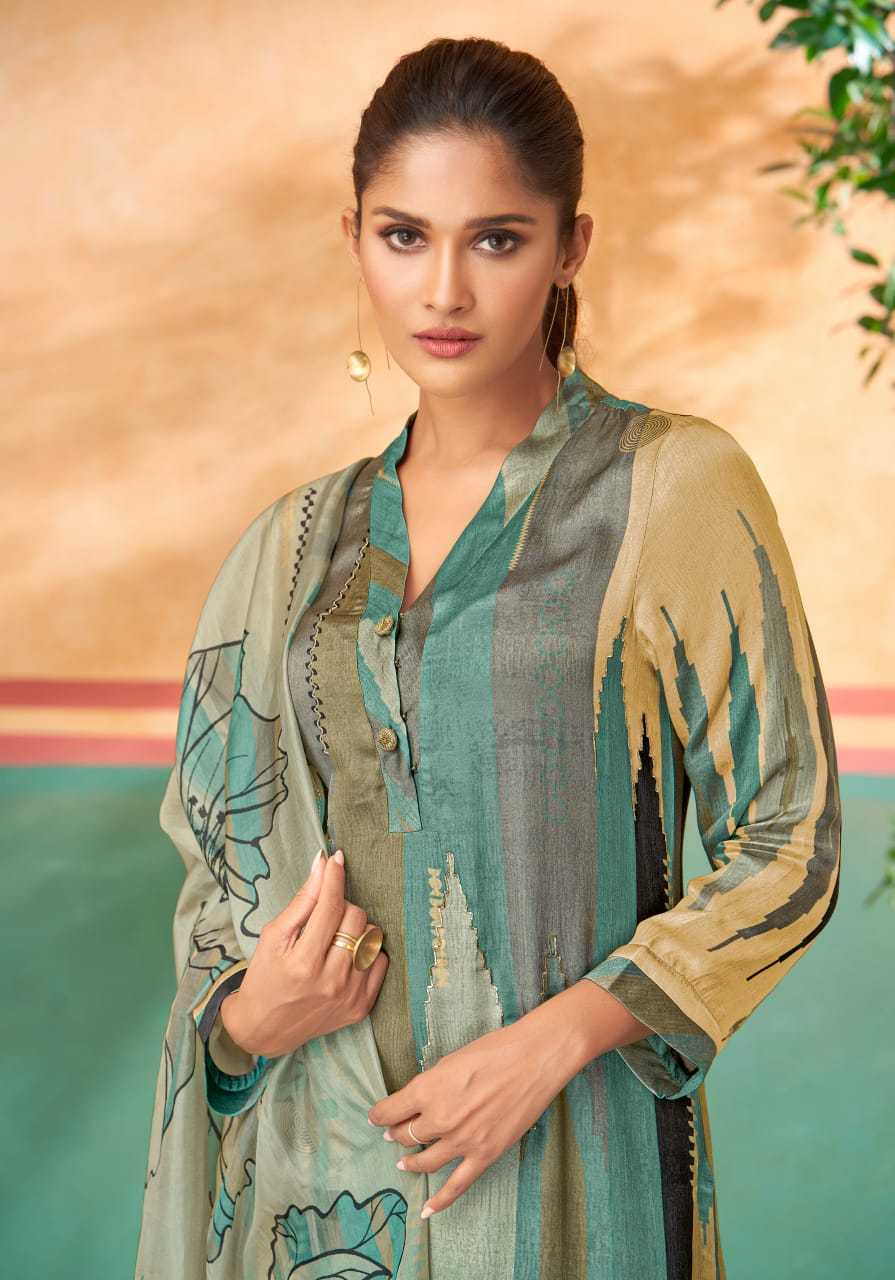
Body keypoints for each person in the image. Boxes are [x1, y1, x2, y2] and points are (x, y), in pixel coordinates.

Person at [134, 35, 841, 1280]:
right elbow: (218, 894)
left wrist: (555, 1038)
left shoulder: (668, 488)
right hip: (320, 1198)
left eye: (497, 239)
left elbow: (789, 838)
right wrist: (251, 1015)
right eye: (404, 237)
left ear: (571, 246)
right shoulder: (292, 551)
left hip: (576, 1177)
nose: (444, 289)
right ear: (354, 237)